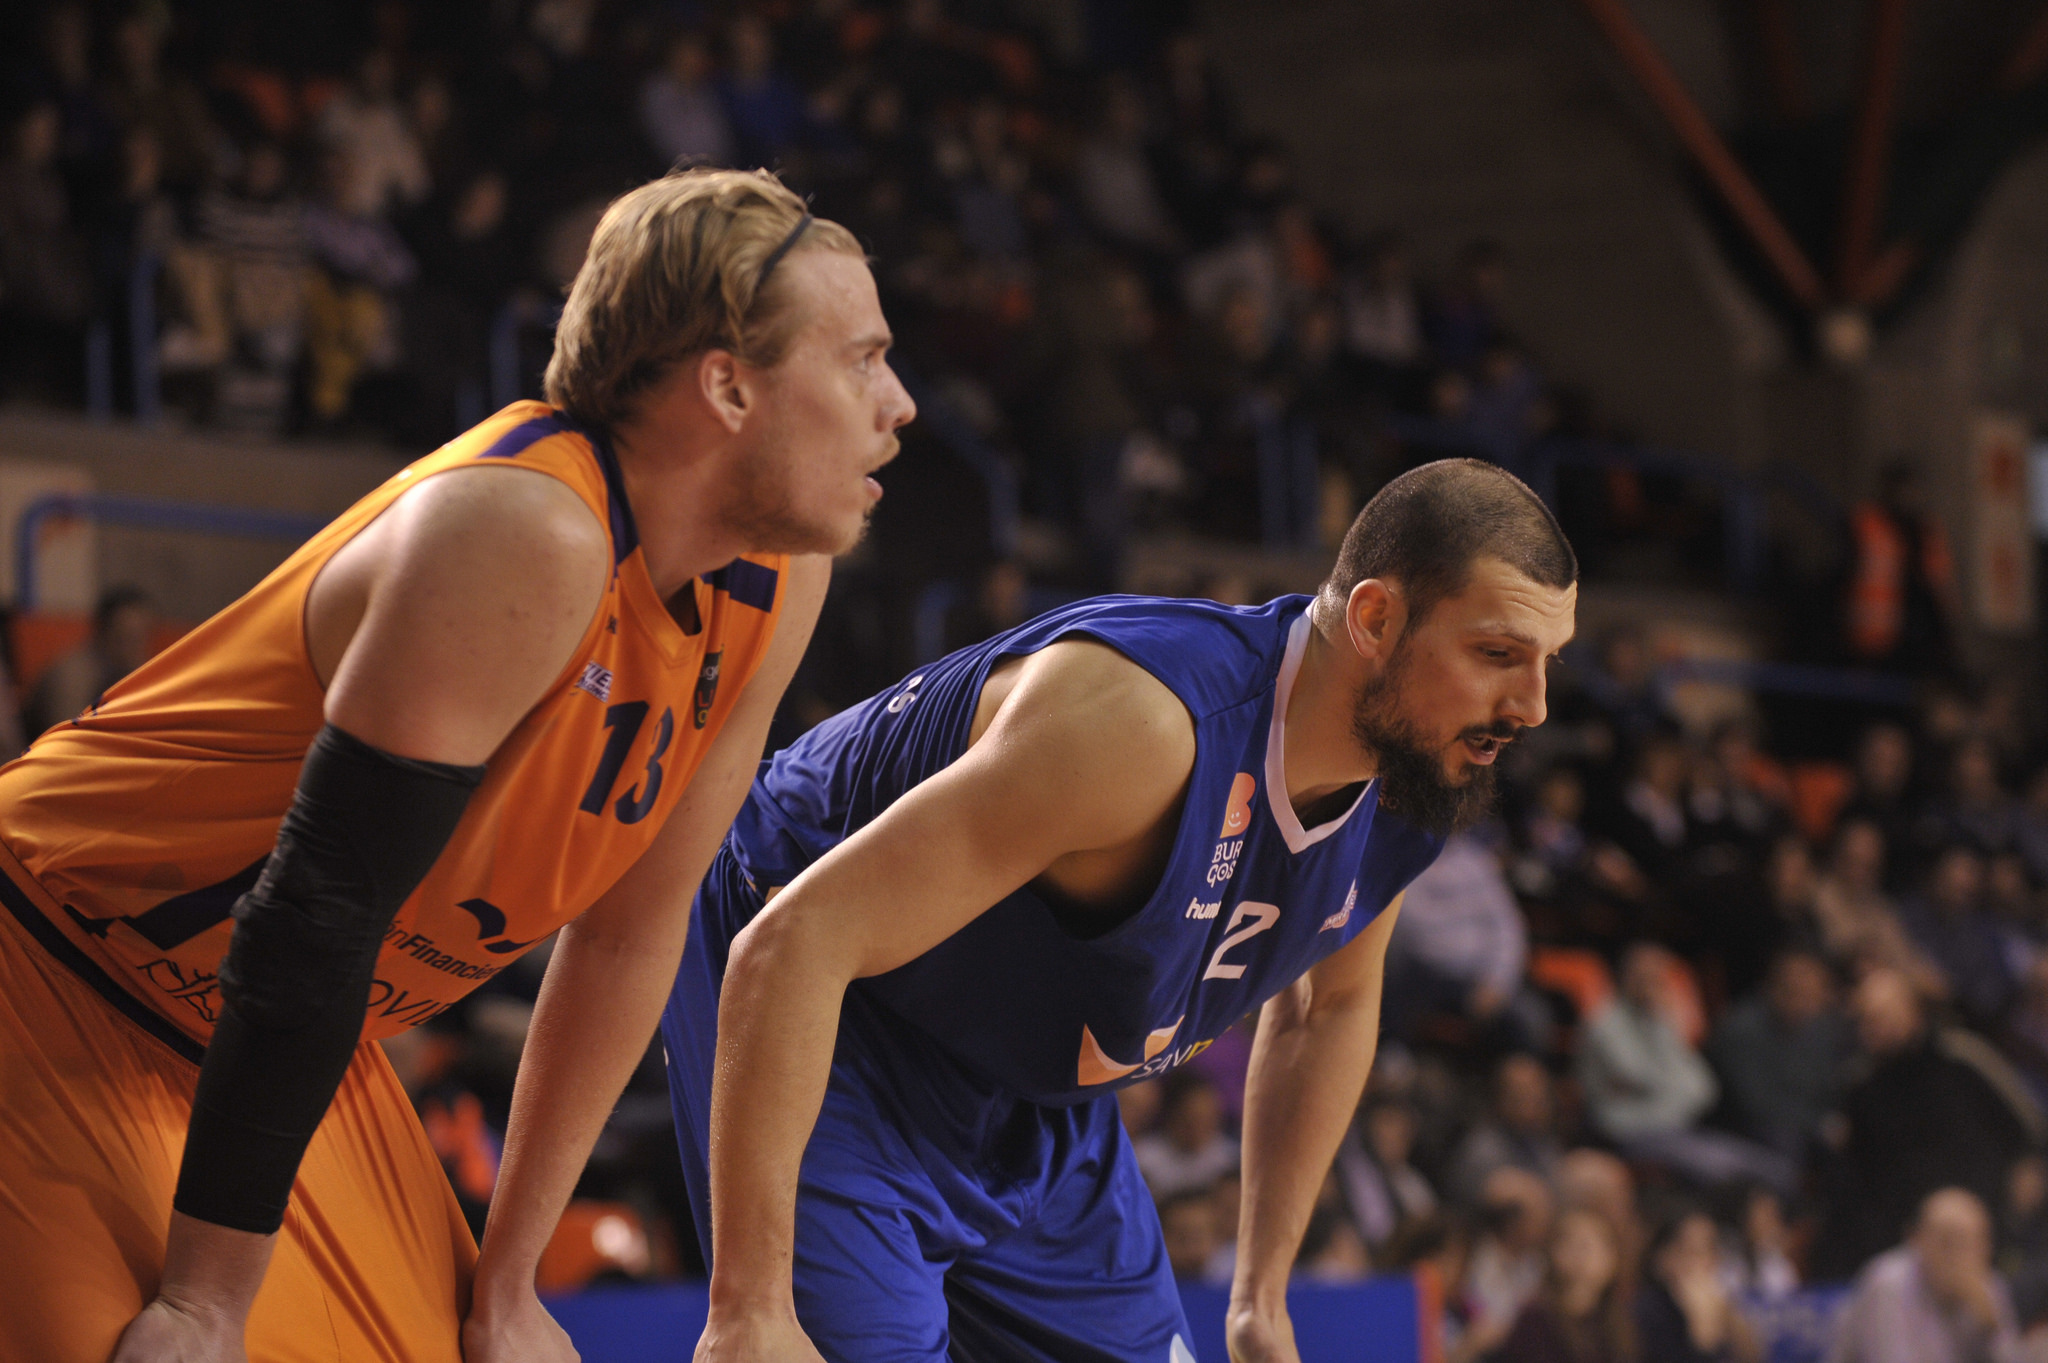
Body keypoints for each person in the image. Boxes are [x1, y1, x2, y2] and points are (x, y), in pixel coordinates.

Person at [0, 167, 913, 1362]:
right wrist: (204, 1300)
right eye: (861, 359)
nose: (898, 404)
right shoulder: (529, 528)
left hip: (285, 1042)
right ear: (727, 385)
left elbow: (628, 936)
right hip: (59, 961)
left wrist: (510, 1284)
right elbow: (315, 920)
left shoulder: (779, 579)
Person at [663, 458, 1578, 1361]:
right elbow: (796, 941)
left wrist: (1260, 1294)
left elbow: (1325, 1007)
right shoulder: (1142, 722)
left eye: (1550, 662)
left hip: (1034, 1087)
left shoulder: (1411, 778)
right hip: (835, 1013)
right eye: (1498, 654)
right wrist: (749, 1306)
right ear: (1375, 618)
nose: (1534, 705)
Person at [1827, 1188, 2024, 1363]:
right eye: (1947, 1242)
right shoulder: (1888, 1282)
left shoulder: (1990, 1286)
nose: (1959, 1256)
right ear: (1917, 1240)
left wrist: (1990, 1328)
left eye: (1972, 1242)